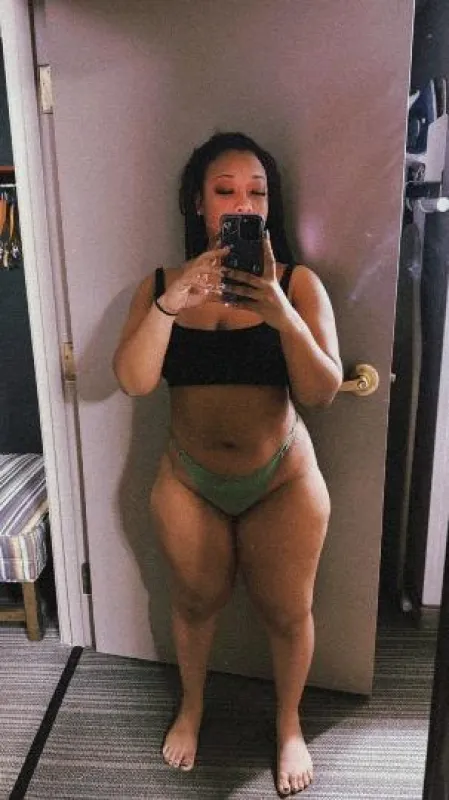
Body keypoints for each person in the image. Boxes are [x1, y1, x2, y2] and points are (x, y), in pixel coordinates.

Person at [113, 132, 343, 796]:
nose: (242, 204)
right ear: (198, 203)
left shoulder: (298, 284)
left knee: (287, 612)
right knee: (193, 603)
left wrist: (281, 314)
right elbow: (132, 381)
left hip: (282, 478)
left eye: (256, 193)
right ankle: (192, 709)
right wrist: (170, 304)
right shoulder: (160, 285)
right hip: (189, 480)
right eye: (225, 192)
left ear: (270, 206)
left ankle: (289, 726)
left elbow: (323, 392)